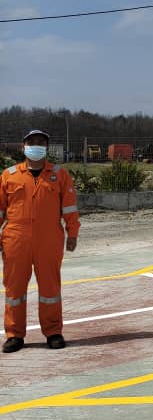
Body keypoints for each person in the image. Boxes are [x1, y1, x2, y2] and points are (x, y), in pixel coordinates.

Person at [1, 129, 80, 353]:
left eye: (41, 142)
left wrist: (72, 233)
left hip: (49, 240)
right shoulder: (9, 175)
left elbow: (69, 208)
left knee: (50, 288)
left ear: (46, 148)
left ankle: (53, 332)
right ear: (23, 147)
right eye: (31, 142)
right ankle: (14, 335)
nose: (36, 145)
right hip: (16, 239)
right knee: (14, 289)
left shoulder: (60, 175)